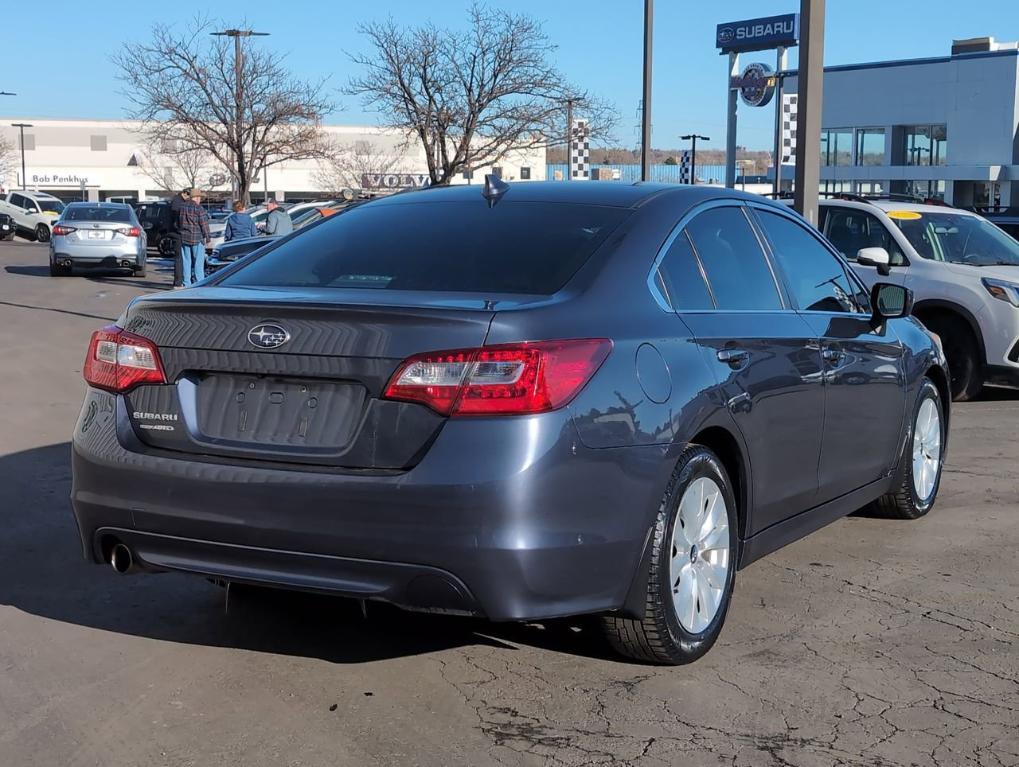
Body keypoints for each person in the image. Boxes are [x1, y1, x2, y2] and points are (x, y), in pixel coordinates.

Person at [177, 190, 211, 288]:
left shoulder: (182, 207)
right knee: (198, 263)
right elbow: (204, 224)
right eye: (199, 197)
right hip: (197, 238)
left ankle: (186, 283)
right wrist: (207, 237)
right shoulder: (199, 208)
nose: (200, 199)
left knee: (186, 262)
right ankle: (199, 283)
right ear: (196, 197)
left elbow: (178, 222)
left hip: (184, 237)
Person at [168, 188, 192, 287]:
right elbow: (176, 215)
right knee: (180, 257)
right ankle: (178, 281)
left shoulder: (177, 201)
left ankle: (179, 280)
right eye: (189, 196)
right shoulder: (177, 202)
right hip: (177, 232)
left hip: (176, 231)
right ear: (185, 193)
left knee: (181, 257)